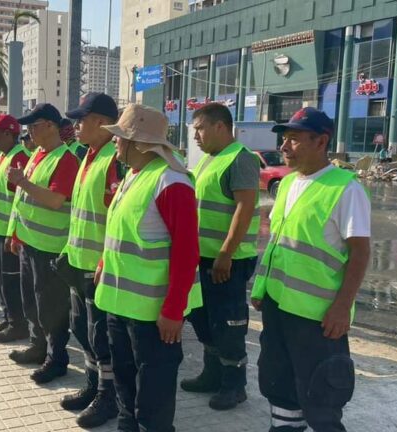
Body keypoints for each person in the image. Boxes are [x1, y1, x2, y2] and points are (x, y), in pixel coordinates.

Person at [251, 107, 371, 432]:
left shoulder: (346, 189)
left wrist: (342, 307)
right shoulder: (288, 184)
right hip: (278, 306)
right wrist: (261, 290)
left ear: (321, 141)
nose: (284, 146)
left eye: (293, 138)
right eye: (284, 138)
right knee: (280, 384)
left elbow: (360, 253)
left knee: (320, 394)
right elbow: (278, 245)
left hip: (318, 317)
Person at [94, 104, 203, 432]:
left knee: (153, 391)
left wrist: (173, 310)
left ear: (139, 143)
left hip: (154, 314)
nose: (114, 143)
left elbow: (187, 252)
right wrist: (103, 263)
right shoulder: (133, 176)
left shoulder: (171, 182)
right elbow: (120, 230)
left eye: (120, 138)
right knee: (125, 380)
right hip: (119, 303)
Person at [181, 102, 260, 410]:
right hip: (204, 257)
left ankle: (234, 385)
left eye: (200, 128)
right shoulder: (208, 161)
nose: (196, 136)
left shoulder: (240, 159)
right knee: (205, 319)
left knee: (229, 323)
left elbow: (245, 208)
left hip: (227, 260)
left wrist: (226, 253)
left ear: (220, 127)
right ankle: (211, 375)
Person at [5, 103, 80, 384]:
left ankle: (56, 358)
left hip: (50, 247)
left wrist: (22, 181)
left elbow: (54, 200)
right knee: (32, 301)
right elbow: (23, 200)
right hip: (29, 242)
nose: (29, 132)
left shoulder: (66, 159)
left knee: (51, 306)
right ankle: (38, 347)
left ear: (50, 126)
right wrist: (16, 234)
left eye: (34, 127)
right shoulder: (38, 154)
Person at [60, 93, 122, 428]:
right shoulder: (89, 155)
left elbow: (117, 216)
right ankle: (92, 384)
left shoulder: (116, 157)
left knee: (101, 335)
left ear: (100, 121)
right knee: (81, 328)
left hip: (100, 266)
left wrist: (103, 261)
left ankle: (108, 396)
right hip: (78, 260)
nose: (75, 126)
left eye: (81, 119)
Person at [0, 114, 31, 342]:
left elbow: (20, 201)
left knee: (11, 280)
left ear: (9, 133)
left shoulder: (19, 158)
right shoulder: (4, 155)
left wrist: (15, 233)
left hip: (8, 232)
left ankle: (17, 324)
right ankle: (8, 316)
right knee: (1, 279)